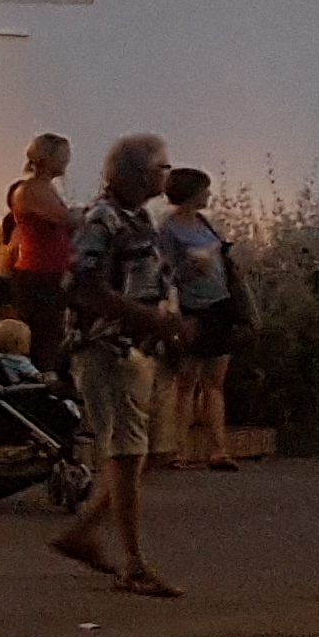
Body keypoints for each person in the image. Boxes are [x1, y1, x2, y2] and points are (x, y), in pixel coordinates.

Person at [54, 132, 184, 599]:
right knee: (127, 454)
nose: (167, 175)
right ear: (137, 172)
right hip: (107, 348)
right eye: (161, 167)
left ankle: (86, 531)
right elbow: (81, 285)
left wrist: (165, 319)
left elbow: (141, 279)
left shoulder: (138, 218)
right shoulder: (102, 219)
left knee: (153, 451)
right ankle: (133, 564)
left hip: (139, 348)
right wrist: (148, 318)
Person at [156, 164, 246, 472]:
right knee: (186, 381)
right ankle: (177, 449)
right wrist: (188, 272)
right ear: (191, 193)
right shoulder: (169, 229)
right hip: (191, 308)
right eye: (204, 189)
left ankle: (218, 449)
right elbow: (163, 274)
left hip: (219, 304)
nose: (208, 194)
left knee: (215, 381)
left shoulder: (205, 223)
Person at [3, 133, 74, 352]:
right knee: (42, 338)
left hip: (50, 272)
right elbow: (66, 220)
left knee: (51, 335)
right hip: (37, 274)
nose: (67, 160)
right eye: (63, 155)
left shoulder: (45, 188)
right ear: (47, 158)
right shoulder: (31, 190)